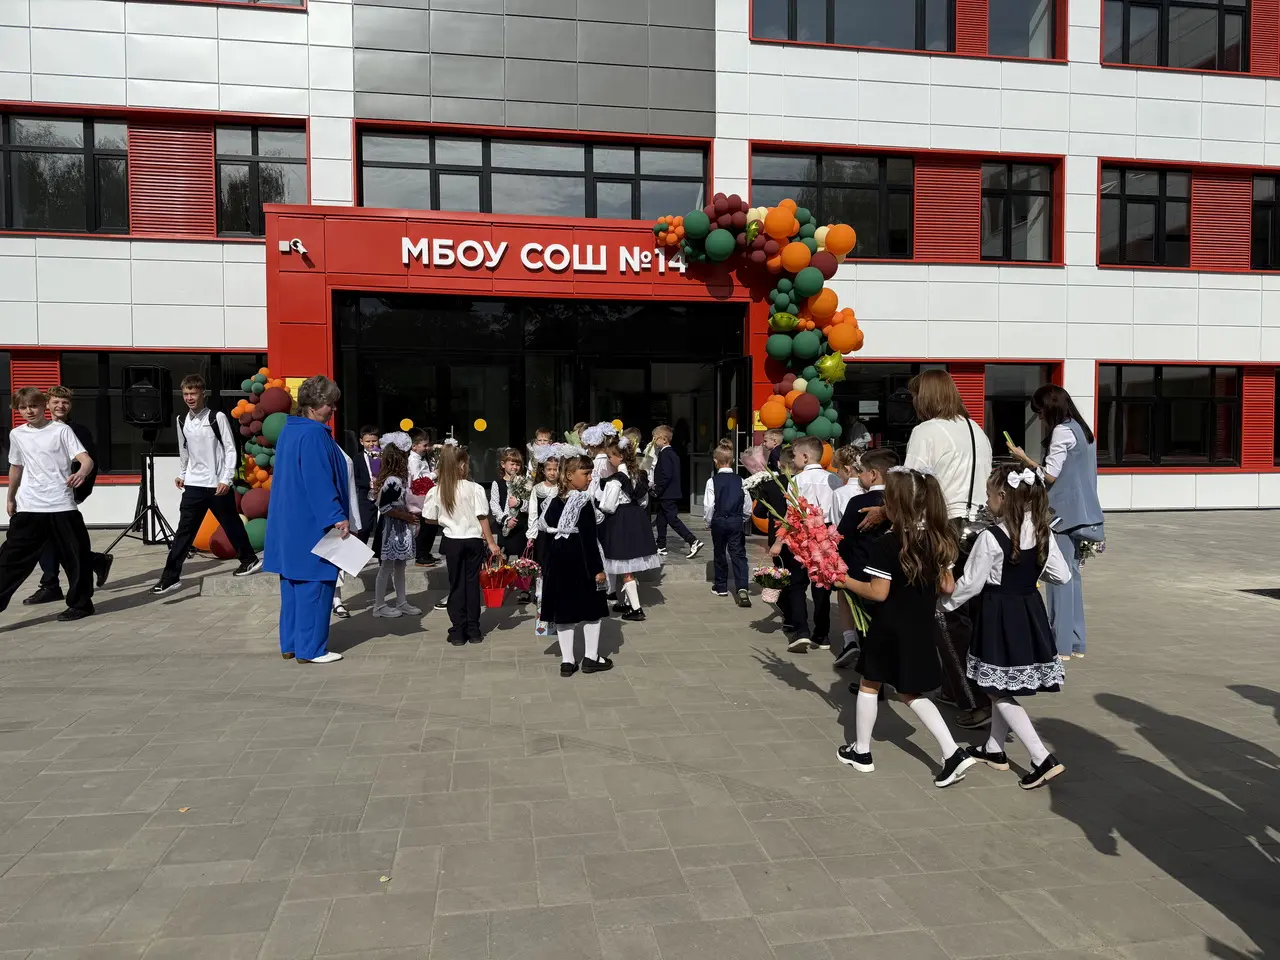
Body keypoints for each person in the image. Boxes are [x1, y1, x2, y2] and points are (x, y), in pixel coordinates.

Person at [863, 370, 993, 729]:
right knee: (971, 613)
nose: (913, 403)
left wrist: (885, 512)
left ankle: (973, 699)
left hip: (945, 527)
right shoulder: (976, 429)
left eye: (916, 396)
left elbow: (910, 484)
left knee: (944, 615)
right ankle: (964, 687)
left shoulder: (927, 431)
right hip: (981, 528)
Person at [837, 467, 976, 788]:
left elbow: (878, 592)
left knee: (870, 683)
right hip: (921, 625)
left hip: (889, 626)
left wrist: (844, 580)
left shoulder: (887, 544)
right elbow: (948, 586)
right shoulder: (938, 539)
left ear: (896, 506)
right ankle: (952, 751)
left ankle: (862, 752)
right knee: (909, 691)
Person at [945, 464, 1070, 789]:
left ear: (1003, 496)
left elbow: (970, 584)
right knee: (1001, 683)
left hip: (998, 614)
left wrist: (944, 605)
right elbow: (1062, 575)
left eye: (989, 495)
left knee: (994, 688)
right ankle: (994, 748)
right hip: (1029, 612)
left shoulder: (991, 536)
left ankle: (1041, 757)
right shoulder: (1042, 531)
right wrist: (1031, 573)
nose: (987, 501)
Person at [1007, 385, 1104, 661]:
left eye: (1039, 411)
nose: (1039, 417)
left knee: (1058, 575)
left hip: (1061, 514)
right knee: (1072, 575)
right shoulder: (1082, 430)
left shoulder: (1061, 431)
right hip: (1083, 513)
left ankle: (1059, 644)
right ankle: (1075, 641)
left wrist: (1023, 459)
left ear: (1049, 408)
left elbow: (1050, 475)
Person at [263, 376, 351, 664]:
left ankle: (290, 644)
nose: (333, 409)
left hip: (288, 521)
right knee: (316, 584)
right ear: (314, 405)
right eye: (330, 404)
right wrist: (336, 516)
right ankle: (311, 649)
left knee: (292, 585)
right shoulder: (314, 434)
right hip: (310, 523)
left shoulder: (290, 430)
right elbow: (318, 481)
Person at [151, 374, 260, 595]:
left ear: (202, 393)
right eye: (186, 394)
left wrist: (226, 479)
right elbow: (184, 450)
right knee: (184, 532)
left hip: (217, 485)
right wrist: (182, 473)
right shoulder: (182, 421)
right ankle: (170, 577)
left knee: (231, 524)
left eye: (193, 393)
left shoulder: (216, 417)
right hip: (193, 485)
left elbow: (230, 449)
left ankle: (249, 559)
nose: (189, 398)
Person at [0, 387, 96, 621]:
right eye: (23, 407)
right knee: (9, 560)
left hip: (61, 504)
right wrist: (10, 497)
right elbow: (16, 467)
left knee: (76, 558)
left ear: (44, 406)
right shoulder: (17, 434)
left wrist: (82, 473)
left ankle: (81, 605)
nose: (29, 411)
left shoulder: (61, 430)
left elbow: (86, 460)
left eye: (33, 406)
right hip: (30, 506)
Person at [24, 386, 112, 605]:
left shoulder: (77, 431)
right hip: (40, 496)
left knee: (59, 540)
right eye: (56, 402)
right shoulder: (37, 430)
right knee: (48, 539)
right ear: (47, 404)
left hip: (64, 496)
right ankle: (83, 567)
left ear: (70, 405)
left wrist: (80, 492)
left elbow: (89, 463)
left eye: (65, 402)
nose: (60, 406)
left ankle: (53, 584)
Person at [541, 453, 612, 677]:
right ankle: (591, 657)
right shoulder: (583, 501)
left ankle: (567, 661)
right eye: (586, 473)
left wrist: (546, 565)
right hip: (581, 561)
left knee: (564, 610)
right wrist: (598, 569)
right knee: (592, 610)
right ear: (570, 475)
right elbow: (589, 539)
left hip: (557, 561)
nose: (590, 478)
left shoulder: (552, 500)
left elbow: (546, 531)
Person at [423, 442, 501, 646]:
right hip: (473, 540)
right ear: (462, 465)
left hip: (452, 540)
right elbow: (482, 517)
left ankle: (458, 630)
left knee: (456, 584)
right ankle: (473, 629)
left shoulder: (437, 490)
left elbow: (429, 518)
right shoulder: (474, 488)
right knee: (472, 584)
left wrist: (446, 519)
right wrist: (491, 542)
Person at [773, 436, 839, 653]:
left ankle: (801, 630)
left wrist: (779, 540)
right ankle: (822, 633)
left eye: (794, 455)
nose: (793, 460)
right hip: (826, 534)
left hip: (801, 534)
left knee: (797, 583)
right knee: (822, 584)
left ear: (805, 456)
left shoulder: (798, 480)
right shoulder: (833, 479)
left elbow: (791, 514)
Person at [832, 448, 897, 668]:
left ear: (873, 474)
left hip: (863, 568)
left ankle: (858, 652)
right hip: (895, 570)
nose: (858, 476)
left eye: (861, 471)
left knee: (862, 614)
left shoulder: (859, 501)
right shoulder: (901, 503)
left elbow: (843, 536)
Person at [599, 436, 661, 621]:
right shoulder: (640, 475)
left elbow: (608, 506)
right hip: (637, 519)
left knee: (625, 565)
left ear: (619, 457)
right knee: (630, 564)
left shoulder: (615, 480)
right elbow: (643, 502)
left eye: (610, 456)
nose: (609, 460)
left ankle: (636, 609)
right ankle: (626, 602)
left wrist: (599, 505)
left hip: (620, 521)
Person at [371, 433, 421, 619]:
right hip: (391, 528)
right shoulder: (393, 480)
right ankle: (379, 605)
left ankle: (401, 601)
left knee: (400, 566)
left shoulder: (397, 479)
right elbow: (385, 507)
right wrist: (406, 516)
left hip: (399, 526)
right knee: (386, 567)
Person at [702, 445, 752, 607]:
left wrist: (708, 521)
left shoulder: (712, 481)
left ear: (715, 461)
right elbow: (747, 504)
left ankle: (721, 586)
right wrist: (742, 518)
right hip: (735, 520)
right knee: (738, 553)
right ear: (732, 461)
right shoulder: (741, 480)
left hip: (719, 520)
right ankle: (742, 586)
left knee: (719, 552)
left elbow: (709, 505)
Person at [651, 424, 703, 559]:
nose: (653, 441)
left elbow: (666, 475)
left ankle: (692, 540)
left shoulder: (666, 454)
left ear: (664, 439)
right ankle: (661, 545)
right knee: (661, 518)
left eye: (655, 438)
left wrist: (657, 489)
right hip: (668, 493)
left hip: (667, 493)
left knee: (672, 519)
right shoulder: (671, 454)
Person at [526, 446, 561, 601]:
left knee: (558, 563)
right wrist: (531, 535)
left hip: (559, 532)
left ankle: (556, 591)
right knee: (541, 563)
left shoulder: (562, 488)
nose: (552, 472)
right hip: (542, 534)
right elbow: (533, 513)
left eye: (555, 469)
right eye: (549, 469)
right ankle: (540, 592)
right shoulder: (537, 489)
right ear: (544, 470)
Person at [351, 425, 380, 545]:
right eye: (368, 441)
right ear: (361, 442)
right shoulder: (357, 458)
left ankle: (379, 553)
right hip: (365, 497)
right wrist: (367, 483)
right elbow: (355, 478)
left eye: (374, 441)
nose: (371, 444)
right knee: (364, 527)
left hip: (382, 496)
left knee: (381, 527)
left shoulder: (383, 456)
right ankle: (360, 551)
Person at [830, 444, 863, 526]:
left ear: (846, 469)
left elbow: (836, 524)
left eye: (838, 468)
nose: (837, 472)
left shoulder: (839, 493)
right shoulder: (871, 487)